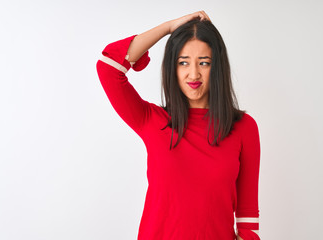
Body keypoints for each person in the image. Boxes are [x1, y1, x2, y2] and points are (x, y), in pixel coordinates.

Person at [96, 11, 261, 240]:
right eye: (183, 62)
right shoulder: (151, 120)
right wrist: (168, 27)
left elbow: (247, 218)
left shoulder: (244, 128)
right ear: (172, 68)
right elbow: (108, 67)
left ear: (218, 67)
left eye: (204, 62)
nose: (194, 74)